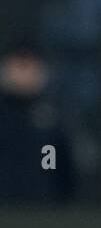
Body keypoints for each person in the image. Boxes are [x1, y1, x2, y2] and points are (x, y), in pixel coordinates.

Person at [0, 41, 75, 203]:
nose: (24, 73)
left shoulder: (53, 118)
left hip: (43, 211)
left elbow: (64, 170)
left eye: (30, 65)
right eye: (19, 65)